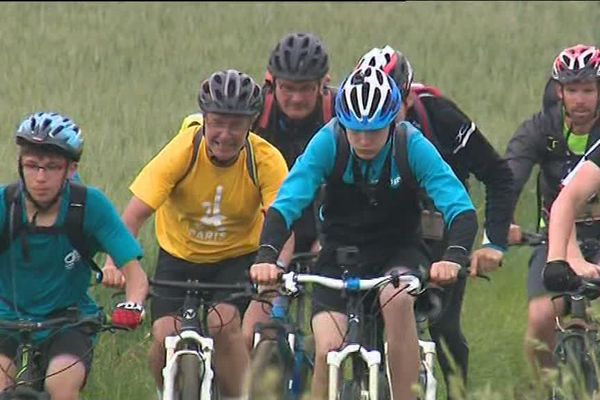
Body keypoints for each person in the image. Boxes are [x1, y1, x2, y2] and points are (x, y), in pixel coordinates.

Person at [249, 65, 478, 400]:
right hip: (339, 256)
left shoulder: (411, 145)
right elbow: (286, 204)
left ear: (393, 122)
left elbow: (460, 208)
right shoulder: (328, 141)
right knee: (327, 350)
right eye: (356, 131)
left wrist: (453, 257)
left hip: (398, 253)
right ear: (343, 123)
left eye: (374, 131)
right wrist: (267, 256)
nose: (364, 140)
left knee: (396, 298)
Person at [101, 69, 288, 400]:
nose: (225, 134)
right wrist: (115, 263)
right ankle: (168, 391)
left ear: (252, 123)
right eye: (217, 122)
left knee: (224, 326)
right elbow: (133, 216)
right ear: (203, 119)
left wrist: (274, 272)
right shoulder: (181, 152)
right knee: (162, 335)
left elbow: (284, 222)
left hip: (235, 259)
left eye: (236, 124)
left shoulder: (266, 160)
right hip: (179, 258)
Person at [354, 45, 515, 396]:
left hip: (439, 226)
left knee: (442, 326)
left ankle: (457, 392)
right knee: (363, 319)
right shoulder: (356, 121)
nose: (375, 119)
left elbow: (498, 175)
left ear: (408, 99)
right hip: (384, 228)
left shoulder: (441, 118)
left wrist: (495, 242)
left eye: (389, 106)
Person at [0, 112, 148, 400]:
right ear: (20, 165)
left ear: (70, 169)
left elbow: (135, 274)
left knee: (62, 388)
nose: (40, 177)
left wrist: (133, 306)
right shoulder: (5, 204)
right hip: (5, 316)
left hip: (68, 320)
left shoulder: (90, 206)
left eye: (52, 167)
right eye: (32, 165)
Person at [505, 44, 600, 377]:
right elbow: (510, 178)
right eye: (572, 90)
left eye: (588, 89)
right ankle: (542, 389)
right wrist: (506, 221)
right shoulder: (540, 128)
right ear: (559, 90)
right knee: (541, 316)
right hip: (554, 235)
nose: (580, 99)